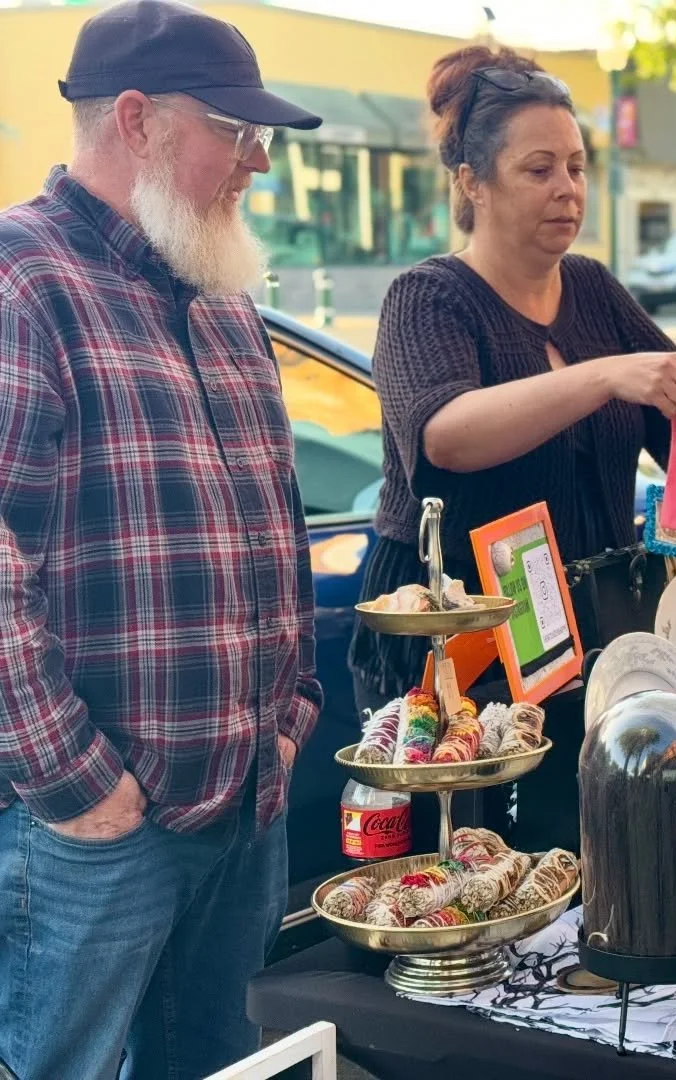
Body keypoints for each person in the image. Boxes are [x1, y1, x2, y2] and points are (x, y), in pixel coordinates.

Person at [0, 2, 324, 1077]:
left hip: (243, 800)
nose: (260, 159)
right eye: (235, 130)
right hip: (92, 832)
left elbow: (274, 521)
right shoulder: (21, 281)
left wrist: (290, 717)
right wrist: (75, 783)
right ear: (134, 121)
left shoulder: (223, 297)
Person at [348, 46, 676, 710]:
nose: (567, 189)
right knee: (481, 814)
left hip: (600, 628)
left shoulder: (594, 288)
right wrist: (605, 377)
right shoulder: (426, 298)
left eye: (577, 167)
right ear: (471, 181)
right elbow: (446, 435)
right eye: (538, 169)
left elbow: (670, 432)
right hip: (462, 646)